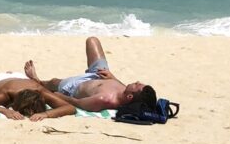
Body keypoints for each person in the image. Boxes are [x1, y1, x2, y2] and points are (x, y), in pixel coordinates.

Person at [24, 36, 157, 112]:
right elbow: (122, 88)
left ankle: (37, 80)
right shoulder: (127, 93)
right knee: (92, 40)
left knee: (53, 82)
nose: (137, 81)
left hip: (77, 86)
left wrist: (58, 96)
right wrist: (112, 77)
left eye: (137, 85)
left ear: (129, 97)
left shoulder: (103, 100)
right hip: (100, 74)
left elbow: (77, 103)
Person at [0, 66, 76, 120]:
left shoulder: (40, 91)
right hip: (0, 80)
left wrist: (45, 114)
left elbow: (70, 108)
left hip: (22, 78)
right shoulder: (8, 92)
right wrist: (4, 111)